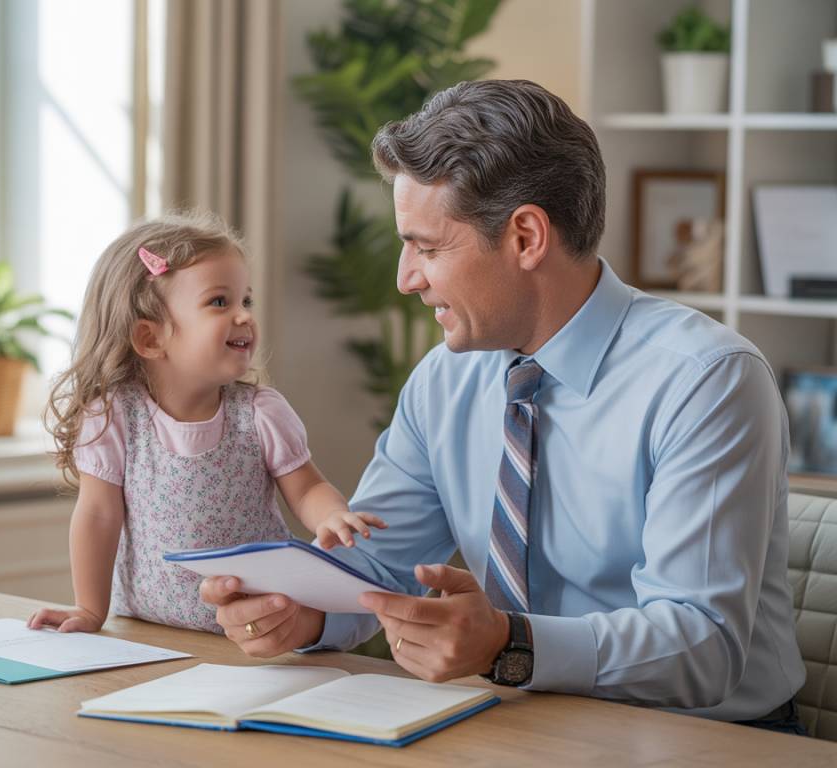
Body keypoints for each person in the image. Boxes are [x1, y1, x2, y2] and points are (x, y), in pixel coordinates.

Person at [200, 80, 807, 732]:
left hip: (714, 742)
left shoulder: (705, 381)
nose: (406, 278)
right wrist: (305, 611)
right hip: (517, 724)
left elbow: (703, 643)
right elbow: (378, 565)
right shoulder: (444, 380)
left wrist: (511, 643)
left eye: (427, 248)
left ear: (524, 237)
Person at [28, 211, 385, 635]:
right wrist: (89, 610)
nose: (243, 316)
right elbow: (97, 516)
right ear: (150, 337)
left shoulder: (261, 413)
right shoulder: (114, 417)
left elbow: (306, 488)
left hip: (251, 632)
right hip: (145, 630)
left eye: (245, 300)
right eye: (220, 302)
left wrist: (331, 515)